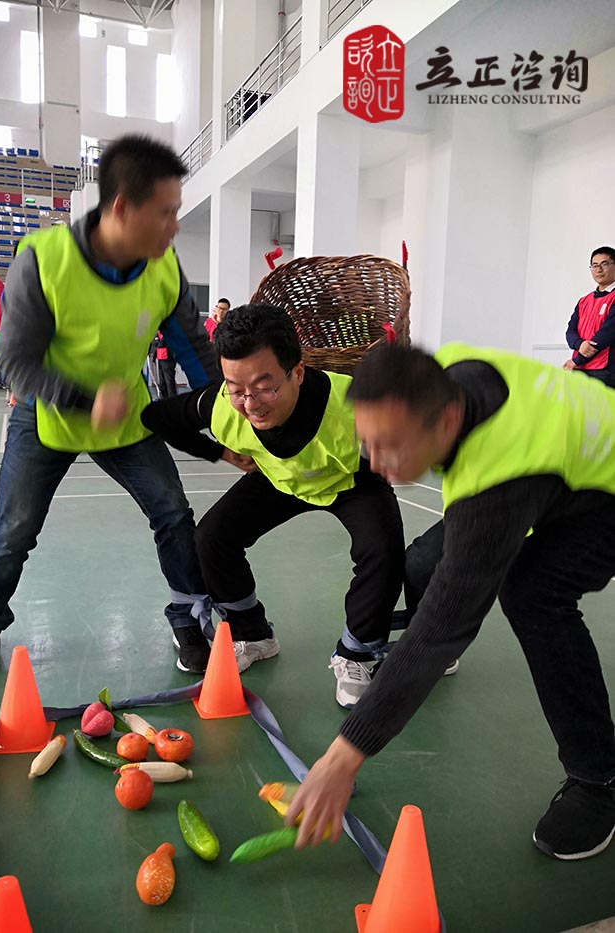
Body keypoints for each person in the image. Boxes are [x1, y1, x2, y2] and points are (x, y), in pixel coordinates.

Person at [284, 342, 615, 863]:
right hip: (560, 467)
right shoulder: (448, 373)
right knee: (422, 565)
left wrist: (343, 756)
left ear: (448, 420)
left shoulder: (496, 485)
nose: (378, 464)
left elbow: (443, 623)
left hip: (601, 495)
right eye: (369, 443)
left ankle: (598, 778)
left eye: (392, 446)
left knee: (533, 592)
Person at [0, 134, 219, 675]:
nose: (174, 227)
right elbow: (17, 363)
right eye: (165, 213)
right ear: (121, 208)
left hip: (127, 418)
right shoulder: (43, 260)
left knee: (172, 512)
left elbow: (196, 351)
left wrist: (229, 412)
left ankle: (190, 616)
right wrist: (85, 399)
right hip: (46, 414)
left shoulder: (164, 268)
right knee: (14, 529)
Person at [141, 303, 406, 706]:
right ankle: (253, 634)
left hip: (351, 481)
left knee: (383, 551)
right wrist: (218, 452)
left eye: (265, 387)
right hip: (279, 478)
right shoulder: (221, 405)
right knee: (212, 538)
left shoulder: (354, 404)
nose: (250, 403)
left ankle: (359, 654)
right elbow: (159, 416)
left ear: (297, 372)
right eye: (237, 388)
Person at [564, 246, 615, 387]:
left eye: (604, 264)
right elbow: (570, 331)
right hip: (580, 369)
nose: (599, 269)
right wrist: (579, 344)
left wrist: (577, 360)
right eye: (594, 265)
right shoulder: (584, 301)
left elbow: (605, 335)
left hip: (605, 371)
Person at [155, 329, 178, 397]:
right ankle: (164, 399)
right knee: (162, 382)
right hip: (160, 357)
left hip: (168, 358)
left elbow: (163, 342)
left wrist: (158, 342)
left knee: (169, 382)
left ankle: (172, 399)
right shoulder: (159, 331)